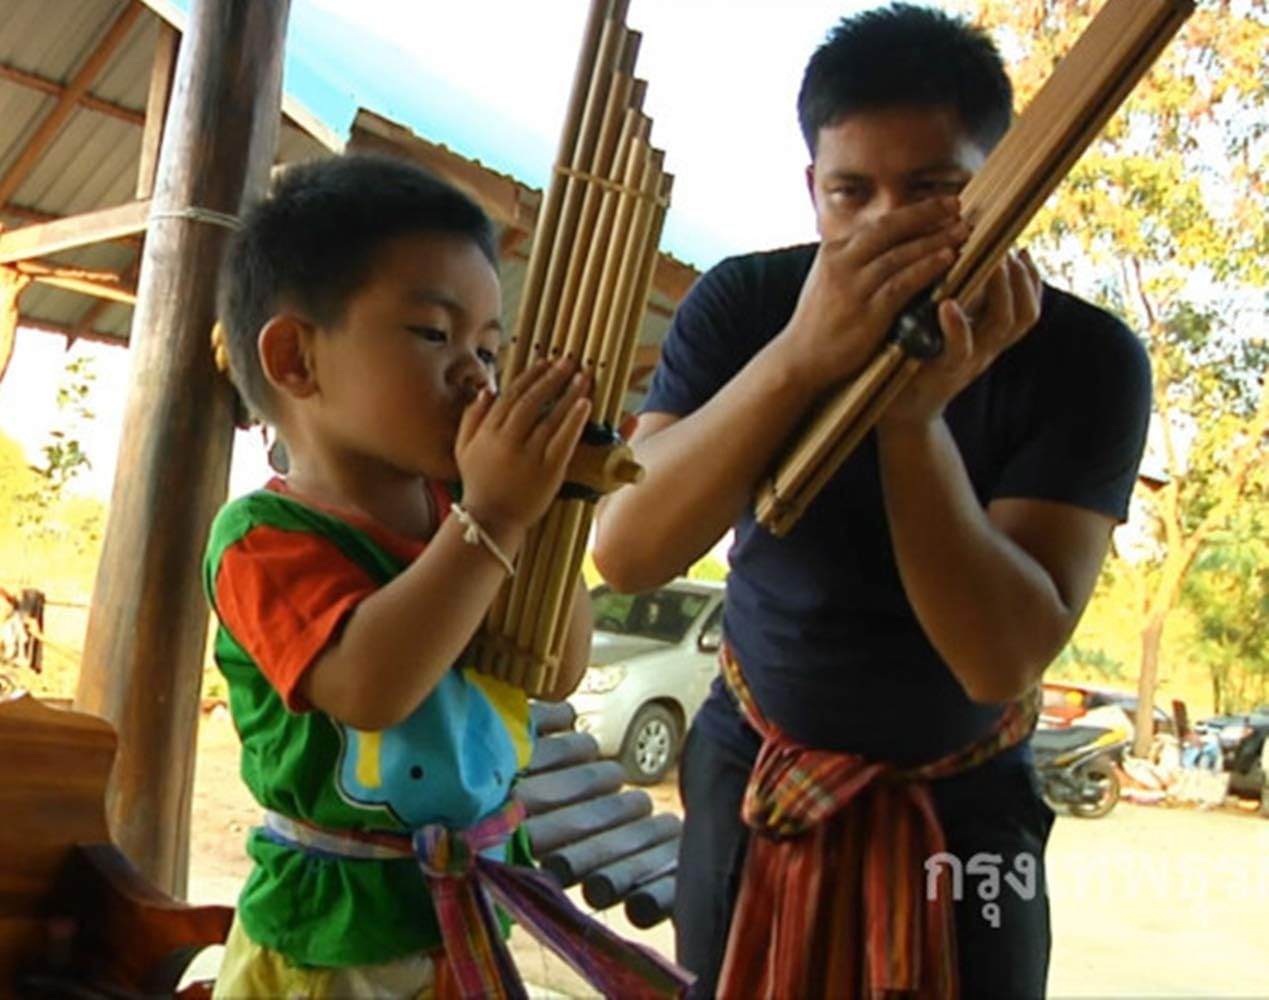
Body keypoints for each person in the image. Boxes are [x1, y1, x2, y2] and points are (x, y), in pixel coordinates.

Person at [594, 4, 1152, 998]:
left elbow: (999, 653)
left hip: (971, 798)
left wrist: (911, 419)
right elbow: (629, 550)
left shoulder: (1085, 360)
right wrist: (800, 359)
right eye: (853, 193)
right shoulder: (747, 305)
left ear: (1002, 183)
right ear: (814, 189)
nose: (886, 225)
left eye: (933, 190)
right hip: (755, 770)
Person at [204, 155, 682, 998]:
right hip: (329, 948)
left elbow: (552, 667)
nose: (477, 374)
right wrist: (493, 518)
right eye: (434, 334)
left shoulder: (465, 515)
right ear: (295, 360)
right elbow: (369, 684)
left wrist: (541, 511)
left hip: (467, 920)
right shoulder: (264, 540)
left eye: (489, 348)